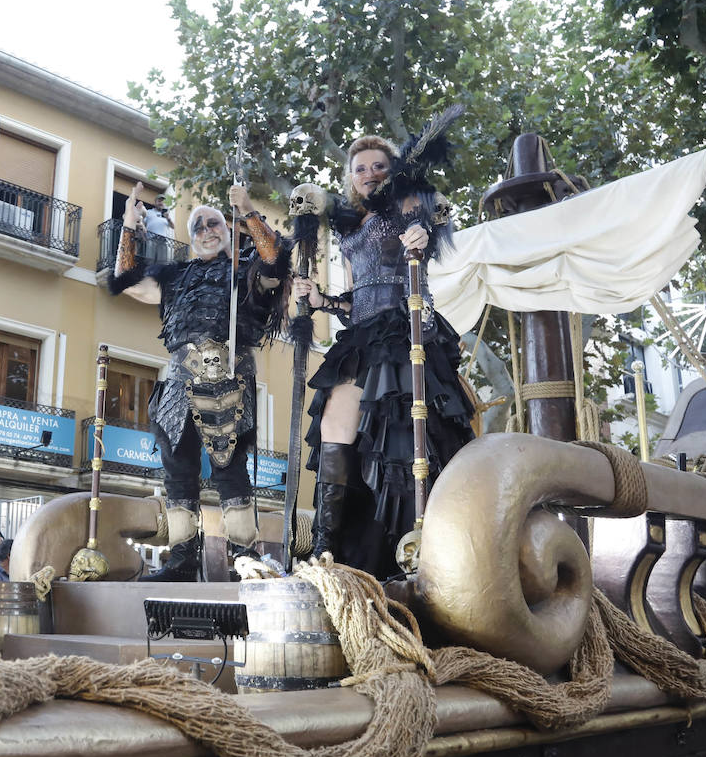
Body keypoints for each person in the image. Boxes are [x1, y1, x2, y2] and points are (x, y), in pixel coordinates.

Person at [293, 129, 475, 579]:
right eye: (360, 169)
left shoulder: (407, 201)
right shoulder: (349, 228)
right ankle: (325, 550)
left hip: (406, 326)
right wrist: (320, 302)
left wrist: (421, 234)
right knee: (336, 421)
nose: (370, 174)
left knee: (401, 435)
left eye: (379, 166)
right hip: (363, 333)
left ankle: (409, 551)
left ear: (392, 171)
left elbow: (427, 232)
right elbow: (356, 296)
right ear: (350, 178)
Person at [109, 181, 290, 580]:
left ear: (227, 230)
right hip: (177, 384)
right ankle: (181, 560)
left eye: (214, 224)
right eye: (199, 227)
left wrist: (247, 210)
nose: (207, 230)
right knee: (177, 469)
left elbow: (276, 260)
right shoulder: (173, 277)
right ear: (190, 239)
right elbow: (123, 279)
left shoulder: (246, 270)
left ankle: (245, 558)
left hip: (229, 378)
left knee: (229, 468)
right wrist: (129, 226)